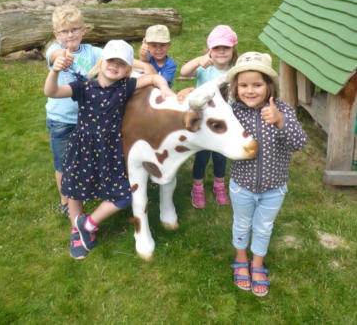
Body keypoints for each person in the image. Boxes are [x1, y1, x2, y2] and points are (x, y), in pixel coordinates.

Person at [44, 39, 173, 260]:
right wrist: (54, 72)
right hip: (83, 147)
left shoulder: (126, 86)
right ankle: (77, 231)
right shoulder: (83, 86)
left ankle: (88, 224)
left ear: (127, 70)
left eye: (121, 64)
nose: (114, 66)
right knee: (76, 189)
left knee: (122, 196)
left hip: (110, 150)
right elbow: (52, 91)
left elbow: (152, 77)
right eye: (110, 60)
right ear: (101, 61)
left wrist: (163, 88)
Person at [226, 52, 307, 297]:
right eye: (243, 85)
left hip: (275, 188)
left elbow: (299, 143)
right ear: (235, 88)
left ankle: (257, 264)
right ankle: (241, 259)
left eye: (257, 85)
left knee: (263, 228)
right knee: (241, 223)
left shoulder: (282, 109)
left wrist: (281, 121)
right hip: (241, 185)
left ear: (269, 86)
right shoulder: (233, 113)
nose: (250, 91)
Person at [45, 5, 102, 218]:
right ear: (56, 34)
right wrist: (62, 59)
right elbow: (54, 55)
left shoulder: (93, 52)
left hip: (87, 119)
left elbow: (114, 56)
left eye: (75, 29)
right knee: (63, 163)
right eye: (64, 31)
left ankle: (82, 191)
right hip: (61, 121)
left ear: (83, 30)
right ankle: (65, 200)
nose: (70, 35)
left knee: (84, 159)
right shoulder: (54, 51)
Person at [180, 25, 238, 208]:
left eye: (226, 48)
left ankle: (219, 184)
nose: (221, 52)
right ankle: (197, 187)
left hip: (224, 123)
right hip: (204, 121)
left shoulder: (235, 72)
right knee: (202, 156)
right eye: (216, 48)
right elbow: (183, 72)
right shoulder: (205, 68)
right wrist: (199, 60)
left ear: (233, 50)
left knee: (220, 156)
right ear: (209, 51)